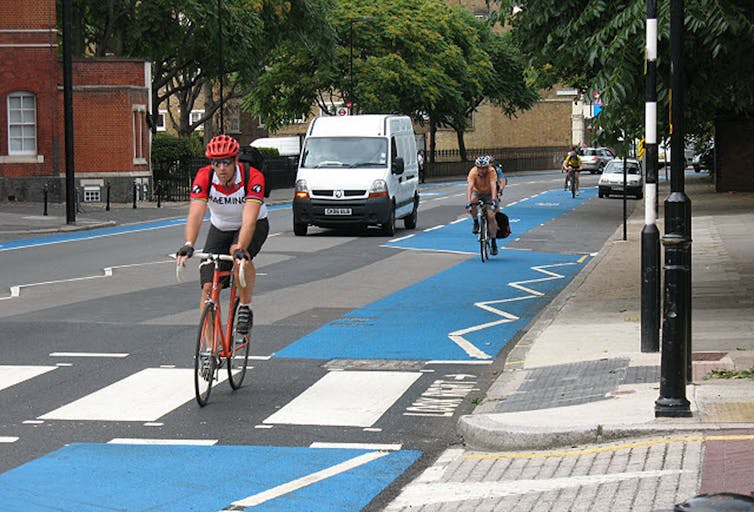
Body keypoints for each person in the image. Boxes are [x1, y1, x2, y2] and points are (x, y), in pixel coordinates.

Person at [175, 134, 269, 336]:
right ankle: (209, 351)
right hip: (220, 227)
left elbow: (250, 219)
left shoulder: (252, 177)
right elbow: (196, 213)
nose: (221, 168)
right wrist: (189, 243)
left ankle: (245, 306)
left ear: (236, 160)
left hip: (253, 224)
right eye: (216, 163)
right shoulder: (205, 176)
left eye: (226, 162)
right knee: (208, 288)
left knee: (239, 255)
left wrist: (241, 248)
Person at [466, 155, 499, 255]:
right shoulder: (473, 172)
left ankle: (493, 242)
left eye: (484, 168)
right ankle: (476, 222)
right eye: (480, 168)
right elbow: (470, 187)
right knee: (473, 203)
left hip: (489, 193)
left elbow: (493, 186)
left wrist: (493, 200)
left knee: (491, 216)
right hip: (478, 192)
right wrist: (468, 202)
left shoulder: (491, 171)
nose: (482, 170)